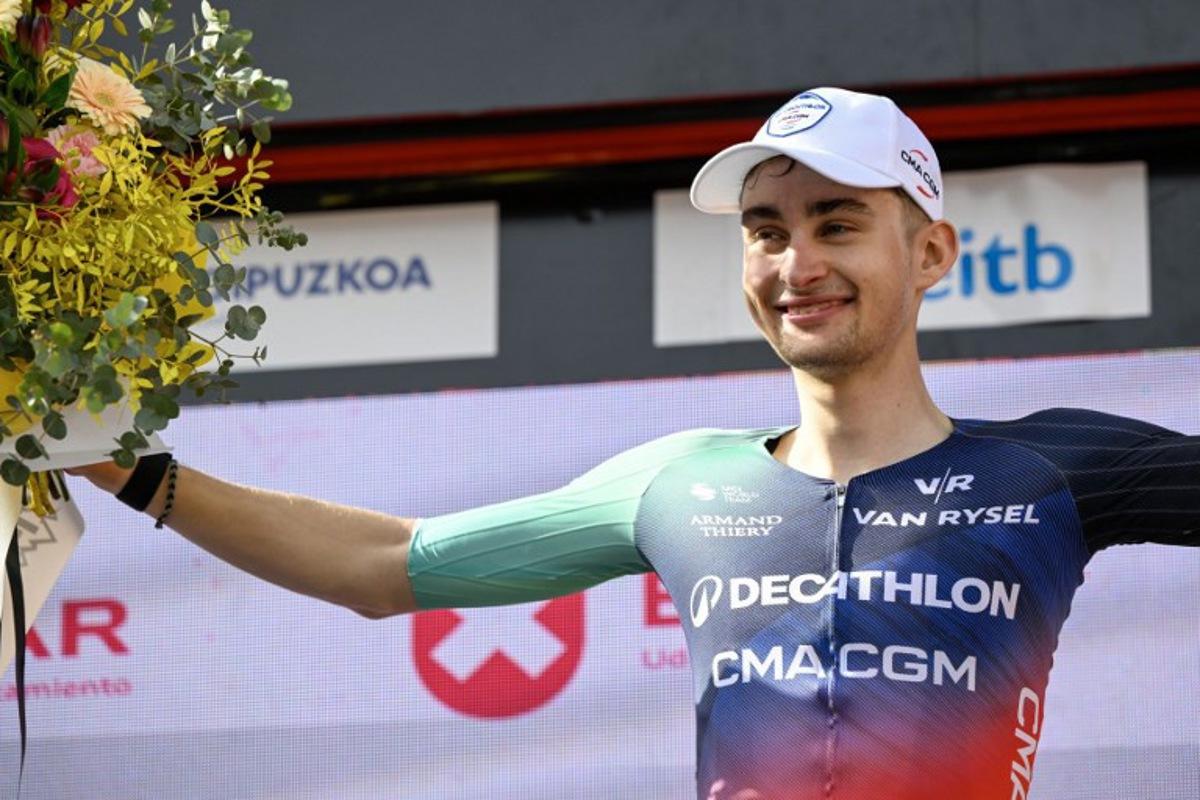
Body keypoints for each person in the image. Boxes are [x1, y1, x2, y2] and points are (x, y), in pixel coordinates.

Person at [72, 87, 1200, 800]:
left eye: (837, 223)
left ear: (935, 252)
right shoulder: (681, 480)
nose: (794, 262)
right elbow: (384, 565)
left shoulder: (1056, 466)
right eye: (767, 231)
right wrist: (120, 462)